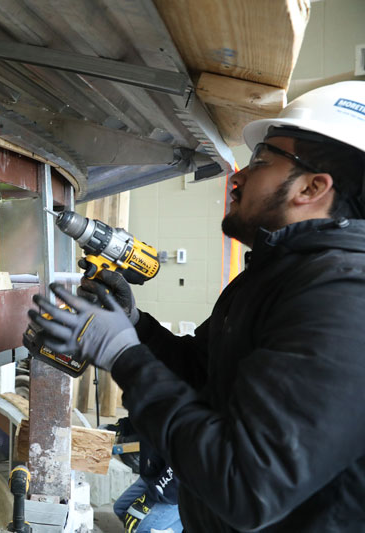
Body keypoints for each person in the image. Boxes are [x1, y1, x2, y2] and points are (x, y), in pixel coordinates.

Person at [27, 80, 365, 532]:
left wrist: (124, 356)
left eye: (261, 161)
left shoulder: (344, 298)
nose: (239, 176)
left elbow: (248, 487)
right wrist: (137, 328)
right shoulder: (275, 275)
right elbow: (205, 372)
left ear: (311, 188)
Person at [113, 440, 181, 533]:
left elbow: (178, 472)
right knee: (121, 508)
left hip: (184, 489)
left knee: (144, 530)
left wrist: (146, 501)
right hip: (157, 472)